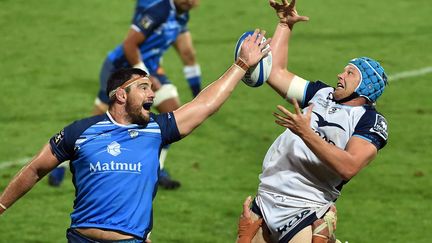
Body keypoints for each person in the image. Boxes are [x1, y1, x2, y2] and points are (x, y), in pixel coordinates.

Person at [0, 29, 271, 242]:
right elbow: (36, 169)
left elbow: (204, 105)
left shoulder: (156, 130)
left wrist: (241, 65)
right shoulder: (80, 132)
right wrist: (1, 206)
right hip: (81, 239)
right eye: (143, 87)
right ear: (121, 95)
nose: (152, 94)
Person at [239, 0, 389, 242]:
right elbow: (274, 73)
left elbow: (349, 166)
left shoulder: (370, 121)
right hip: (267, 195)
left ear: (365, 87)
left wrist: (305, 132)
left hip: (304, 206)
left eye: (350, 73)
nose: (340, 74)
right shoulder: (321, 93)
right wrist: (284, 25)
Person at [49, 0, 203, 189]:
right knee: (97, 124)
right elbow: (129, 44)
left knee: (173, 116)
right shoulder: (159, 11)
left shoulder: (181, 15)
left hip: (150, 71)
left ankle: (156, 169)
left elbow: (186, 53)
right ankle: (62, 160)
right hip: (119, 70)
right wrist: (145, 77)